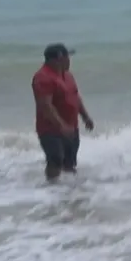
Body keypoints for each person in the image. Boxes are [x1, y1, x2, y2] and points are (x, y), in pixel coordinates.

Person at [31, 43, 94, 181]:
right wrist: (62, 126)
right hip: (50, 130)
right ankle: (52, 192)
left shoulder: (68, 76)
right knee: (55, 160)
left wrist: (85, 117)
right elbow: (45, 106)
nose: (69, 60)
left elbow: (75, 97)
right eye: (67, 57)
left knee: (70, 162)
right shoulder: (43, 77)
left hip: (71, 127)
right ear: (58, 59)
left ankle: (68, 193)